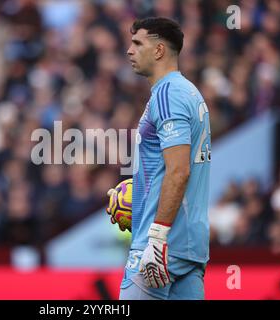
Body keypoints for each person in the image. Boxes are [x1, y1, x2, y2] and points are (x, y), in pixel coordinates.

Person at [109, 17, 211, 300]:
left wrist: (156, 236)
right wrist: (139, 193)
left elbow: (179, 171)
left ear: (159, 50)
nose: (129, 50)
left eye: (137, 43)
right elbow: (170, 166)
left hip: (160, 248)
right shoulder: (189, 92)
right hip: (189, 248)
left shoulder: (168, 94)